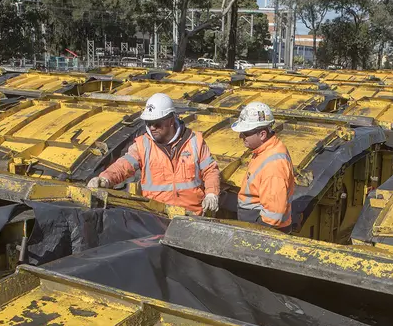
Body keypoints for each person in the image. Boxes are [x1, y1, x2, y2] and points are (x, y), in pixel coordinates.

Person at [87, 93, 220, 215]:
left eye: (156, 123)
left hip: (191, 214)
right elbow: (124, 165)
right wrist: (105, 178)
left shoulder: (195, 142)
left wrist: (211, 194)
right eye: (148, 123)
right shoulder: (143, 145)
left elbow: (210, 170)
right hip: (157, 215)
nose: (151, 128)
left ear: (171, 120)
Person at [230, 102, 295, 231]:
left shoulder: (273, 165)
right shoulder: (263, 150)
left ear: (262, 134)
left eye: (245, 133)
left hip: (263, 228)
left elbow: (273, 215)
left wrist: (256, 232)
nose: (240, 136)